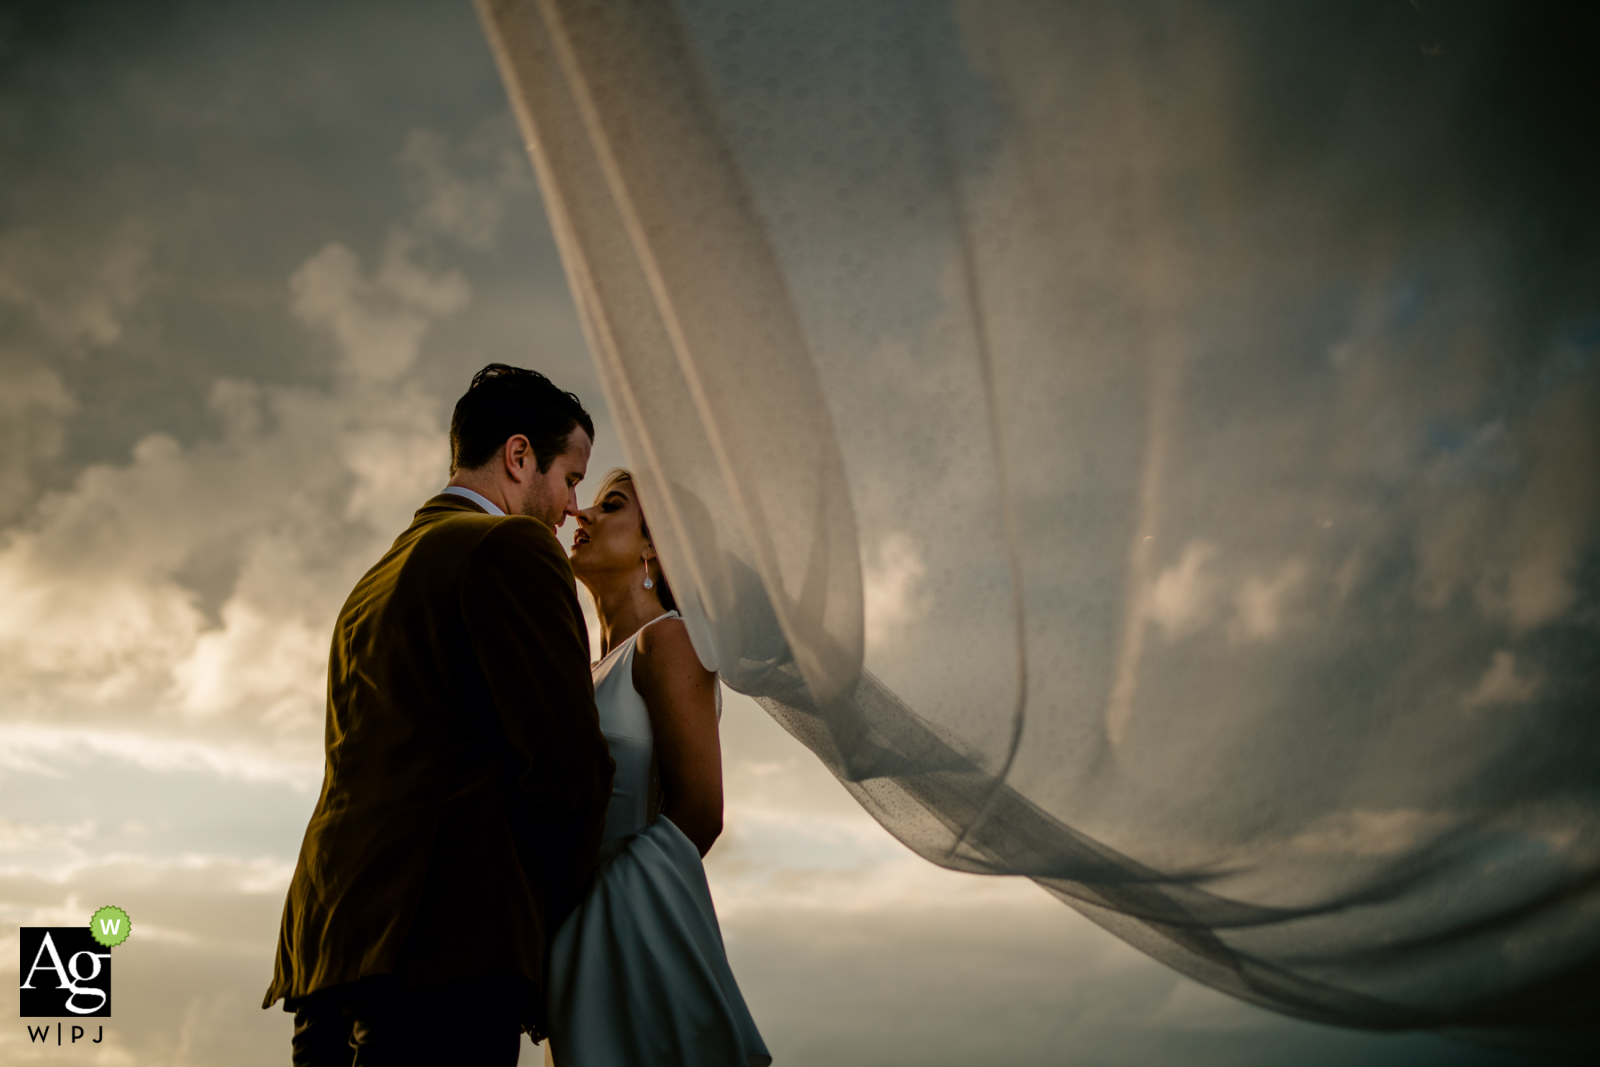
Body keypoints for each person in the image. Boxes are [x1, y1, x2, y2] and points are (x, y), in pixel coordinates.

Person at [262, 364, 616, 1066]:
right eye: (572, 478)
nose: (573, 506)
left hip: (329, 942)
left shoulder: (377, 578)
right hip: (448, 944)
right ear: (519, 456)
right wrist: (554, 936)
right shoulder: (508, 548)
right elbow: (568, 769)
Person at [545, 469, 770, 1066]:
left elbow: (699, 813)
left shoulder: (667, 640)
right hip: (571, 946)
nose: (580, 516)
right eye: (586, 504)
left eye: (609, 505)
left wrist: (592, 926)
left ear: (654, 545)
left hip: (627, 942)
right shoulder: (582, 673)